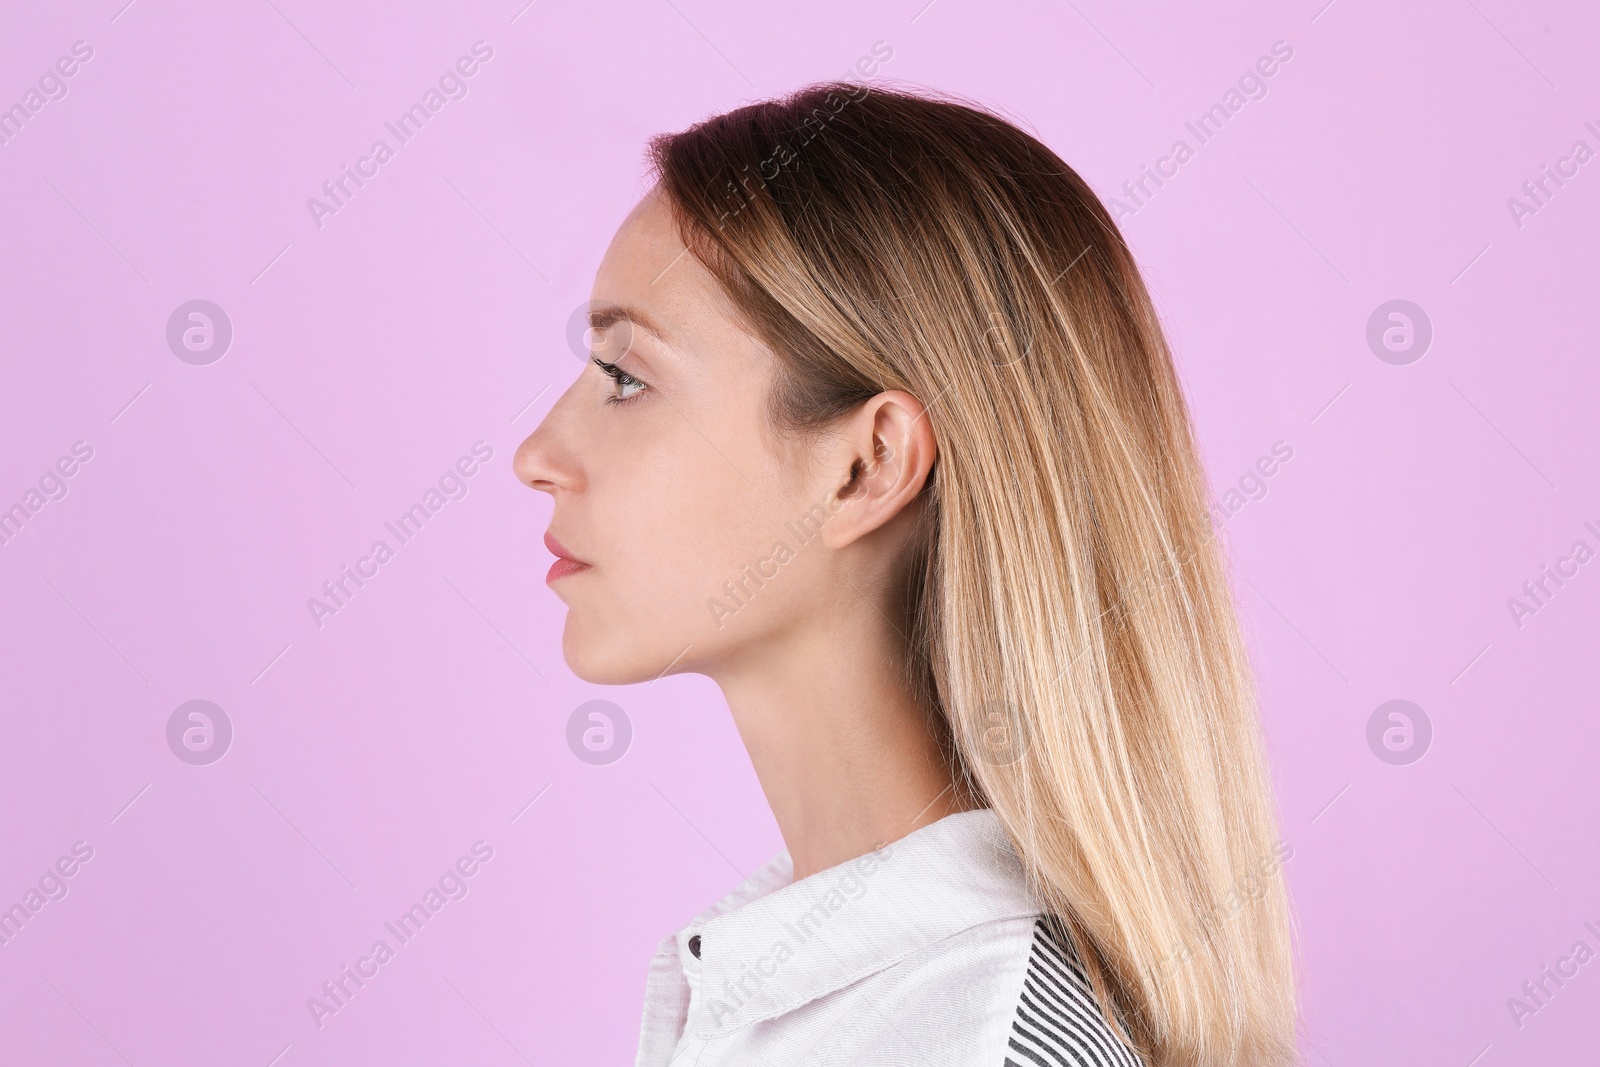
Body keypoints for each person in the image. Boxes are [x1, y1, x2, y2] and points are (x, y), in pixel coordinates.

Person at [515, 81, 1296, 1067]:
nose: (536, 452)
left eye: (626, 377)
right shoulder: (806, 995)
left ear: (867, 464)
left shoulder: (979, 1037)